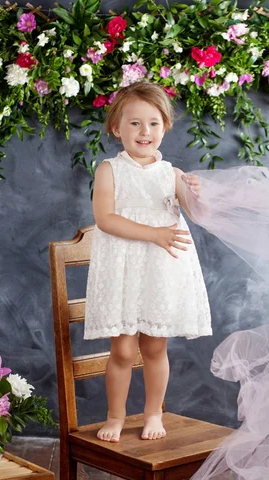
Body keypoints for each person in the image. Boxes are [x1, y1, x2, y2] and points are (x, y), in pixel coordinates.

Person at [84, 81, 212, 443]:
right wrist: (154, 233)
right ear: (116, 127)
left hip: (159, 270)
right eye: (135, 123)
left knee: (155, 346)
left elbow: (200, 214)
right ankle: (116, 415)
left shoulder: (172, 175)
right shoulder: (109, 170)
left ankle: (154, 411)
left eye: (153, 123)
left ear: (165, 127)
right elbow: (105, 219)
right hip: (122, 270)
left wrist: (199, 194)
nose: (145, 132)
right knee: (123, 349)